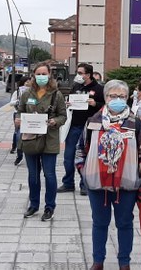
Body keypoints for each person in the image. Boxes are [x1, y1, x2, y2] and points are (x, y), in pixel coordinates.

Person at [75, 79, 141, 270]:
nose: (117, 99)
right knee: (99, 223)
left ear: (127, 98)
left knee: (125, 223)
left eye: (122, 96)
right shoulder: (93, 121)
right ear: (105, 97)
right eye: (113, 96)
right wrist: (83, 171)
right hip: (97, 182)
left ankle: (124, 262)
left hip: (125, 184)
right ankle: (98, 261)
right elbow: (80, 150)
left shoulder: (135, 123)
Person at [15, 63, 67, 221]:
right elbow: (20, 111)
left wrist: (54, 122)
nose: (41, 76)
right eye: (38, 73)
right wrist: (18, 120)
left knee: (49, 175)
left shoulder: (56, 94)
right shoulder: (26, 93)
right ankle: (34, 204)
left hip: (49, 140)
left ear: (49, 75)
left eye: (44, 73)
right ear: (33, 75)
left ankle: (50, 207)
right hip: (30, 139)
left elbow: (63, 116)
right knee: (33, 176)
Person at [59, 63, 104, 196]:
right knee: (68, 157)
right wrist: (68, 103)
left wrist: (95, 104)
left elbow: (104, 107)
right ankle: (68, 183)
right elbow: (71, 101)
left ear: (88, 74)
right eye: (78, 72)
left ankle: (84, 184)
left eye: (80, 73)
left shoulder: (99, 89)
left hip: (89, 128)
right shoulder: (76, 86)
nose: (78, 75)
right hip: (74, 126)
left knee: (87, 157)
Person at [9, 76, 31, 166]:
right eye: (26, 82)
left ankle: (31, 155)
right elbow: (11, 103)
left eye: (29, 82)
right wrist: (19, 101)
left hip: (29, 115)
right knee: (18, 135)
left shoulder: (33, 92)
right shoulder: (17, 92)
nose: (27, 83)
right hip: (18, 114)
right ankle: (19, 155)